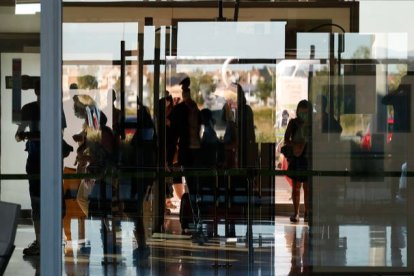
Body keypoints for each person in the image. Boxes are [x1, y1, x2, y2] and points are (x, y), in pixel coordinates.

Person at [15, 76, 67, 256]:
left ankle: (49, 240)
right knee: (39, 201)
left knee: (46, 201)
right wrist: (28, 136)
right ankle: (43, 241)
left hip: (45, 160)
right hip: (38, 161)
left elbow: (57, 135)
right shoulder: (34, 109)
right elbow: (18, 134)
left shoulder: (54, 109)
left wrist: (29, 137)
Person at [169, 76, 202, 234]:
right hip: (195, 151)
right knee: (194, 185)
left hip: (187, 152)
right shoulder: (193, 107)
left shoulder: (182, 109)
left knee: (191, 184)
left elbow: (174, 135)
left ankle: (195, 215)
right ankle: (196, 215)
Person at [284, 99, 312, 223]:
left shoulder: (311, 124)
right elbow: (286, 139)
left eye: (306, 112)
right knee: (296, 186)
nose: (303, 115)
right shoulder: (293, 123)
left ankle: (307, 212)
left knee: (307, 187)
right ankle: (296, 212)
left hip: (307, 157)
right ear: (297, 111)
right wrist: (296, 145)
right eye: (301, 112)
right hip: (297, 157)